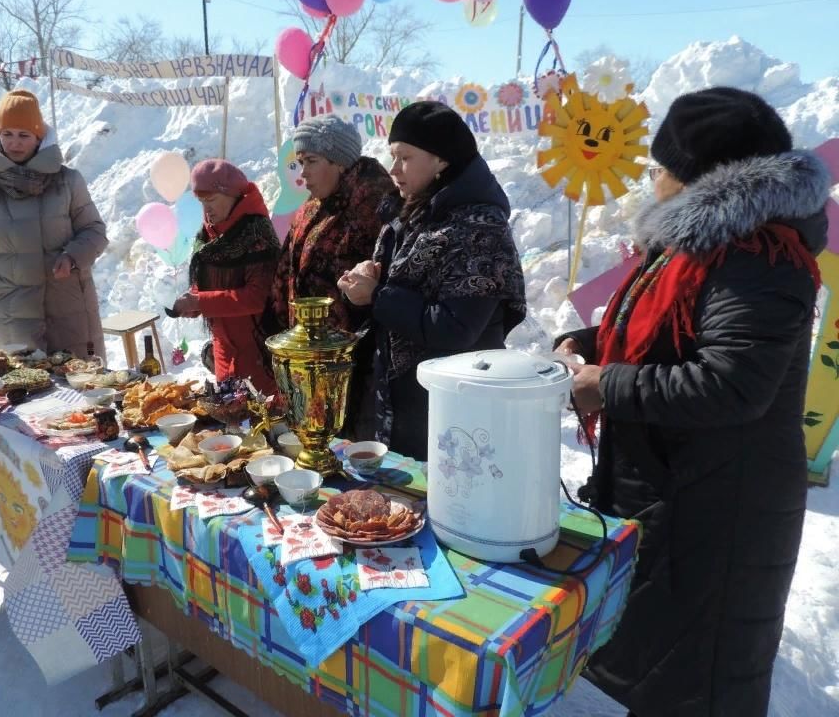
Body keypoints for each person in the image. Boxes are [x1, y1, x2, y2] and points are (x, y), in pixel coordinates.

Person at [554, 87, 830, 717]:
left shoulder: (758, 256)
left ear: (693, 177)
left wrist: (608, 384)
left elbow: (731, 381)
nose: (652, 179)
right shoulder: (701, 246)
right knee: (659, 668)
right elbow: (671, 334)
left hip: (723, 509)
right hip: (679, 491)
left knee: (701, 681)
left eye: (659, 167)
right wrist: (591, 340)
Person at [338, 101, 526, 460]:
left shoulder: (479, 228)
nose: (393, 169)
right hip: (403, 401)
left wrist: (378, 296)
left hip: (455, 409)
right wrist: (364, 285)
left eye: (405, 157)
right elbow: (391, 301)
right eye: (392, 156)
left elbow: (457, 329)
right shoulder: (408, 212)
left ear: (441, 160)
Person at [0, 88, 108, 359]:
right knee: (24, 392)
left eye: (24, 135)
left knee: (83, 389)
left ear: (39, 137)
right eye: (7, 134)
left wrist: (72, 257)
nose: (15, 143)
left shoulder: (67, 180)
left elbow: (95, 231)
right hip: (12, 310)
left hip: (67, 305)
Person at [272, 114, 397, 438]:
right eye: (300, 162)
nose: (304, 173)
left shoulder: (376, 209)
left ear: (340, 162)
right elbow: (286, 272)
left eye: (311, 160)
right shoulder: (313, 208)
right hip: (309, 363)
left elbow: (385, 285)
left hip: (356, 370)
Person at [171, 159, 280, 396]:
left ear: (233, 196)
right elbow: (209, 282)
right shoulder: (208, 233)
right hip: (223, 350)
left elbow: (257, 296)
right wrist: (196, 301)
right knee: (230, 422)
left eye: (211, 201)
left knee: (262, 423)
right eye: (202, 203)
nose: (206, 209)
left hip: (258, 351)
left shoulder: (257, 233)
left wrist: (202, 302)